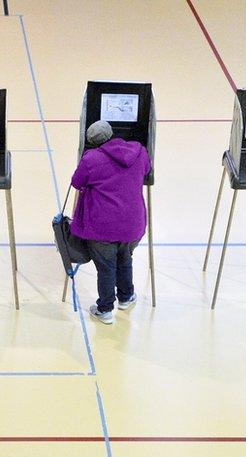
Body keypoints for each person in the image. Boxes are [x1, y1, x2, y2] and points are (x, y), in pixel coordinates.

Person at [70, 120, 151, 325]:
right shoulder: (139, 151)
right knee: (125, 258)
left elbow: (77, 182)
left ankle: (105, 309)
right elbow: (147, 170)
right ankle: (126, 297)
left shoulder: (91, 159)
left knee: (106, 267)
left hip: (102, 227)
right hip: (133, 224)